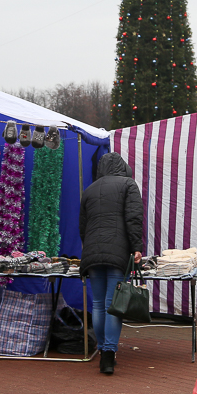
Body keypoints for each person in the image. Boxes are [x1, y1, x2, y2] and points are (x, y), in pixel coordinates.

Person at [78, 152, 143, 375]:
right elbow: (133, 217)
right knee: (112, 304)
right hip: (118, 252)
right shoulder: (128, 185)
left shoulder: (90, 189)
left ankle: (102, 349)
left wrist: (89, 247)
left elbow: (83, 226)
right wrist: (136, 247)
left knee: (97, 303)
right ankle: (108, 354)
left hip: (92, 254)